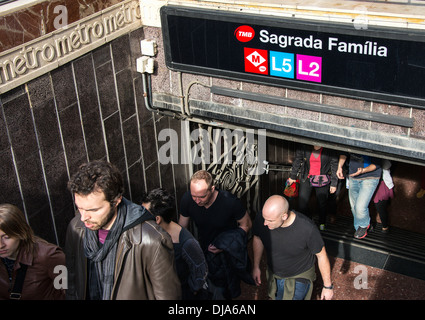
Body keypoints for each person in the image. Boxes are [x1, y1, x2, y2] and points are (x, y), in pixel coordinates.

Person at [65, 160, 181, 300]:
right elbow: (72, 281)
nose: (84, 217)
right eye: (80, 208)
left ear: (116, 201)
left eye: (93, 210)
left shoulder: (151, 240)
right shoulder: (76, 227)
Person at [178, 170, 254, 299]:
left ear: (212, 189)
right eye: (193, 195)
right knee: (208, 289)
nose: (197, 200)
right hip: (204, 250)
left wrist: (225, 245)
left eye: (202, 197)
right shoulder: (187, 199)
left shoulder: (230, 202)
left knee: (227, 289)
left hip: (227, 252)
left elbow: (246, 225)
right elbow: (181, 228)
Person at [252, 195, 333, 300]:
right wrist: (256, 266)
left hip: (299, 276)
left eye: (270, 221)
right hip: (275, 274)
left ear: (284, 216)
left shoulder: (307, 229)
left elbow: (321, 255)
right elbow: (257, 238)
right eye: (264, 218)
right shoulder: (262, 218)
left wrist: (328, 286)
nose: (265, 223)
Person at [143, 188, 209, 300]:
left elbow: (200, 271)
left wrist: (192, 291)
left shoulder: (187, 243)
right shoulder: (150, 233)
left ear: (157, 219)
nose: (141, 216)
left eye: (144, 213)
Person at [0, 203, 65, 300]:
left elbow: (71, 292)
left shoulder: (49, 256)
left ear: (20, 233)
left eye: (6, 237)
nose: (1, 245)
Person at [287, 144, 338, 230]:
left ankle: (322, 223)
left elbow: (334, 165)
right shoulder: (304, 146)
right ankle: (305, 221)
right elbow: (297, 160)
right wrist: (293, 176)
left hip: (322, 180)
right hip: (307, 178)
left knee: (322, 203)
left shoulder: (329, 149)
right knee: (302, 203)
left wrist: (334, 183)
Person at [337, 153, 382, 239]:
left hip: (370, 177)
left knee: (360, 207)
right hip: (353, 177)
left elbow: (377, 164)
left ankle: (363, 225)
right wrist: (339, 166)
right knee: (354, 206)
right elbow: (344, 153)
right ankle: (359, 228)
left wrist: (363, 170)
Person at [373, 160, 394, 233]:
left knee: (380, 206)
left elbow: (387, 165)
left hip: (381, 184)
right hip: (369, 180)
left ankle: (385, 227)